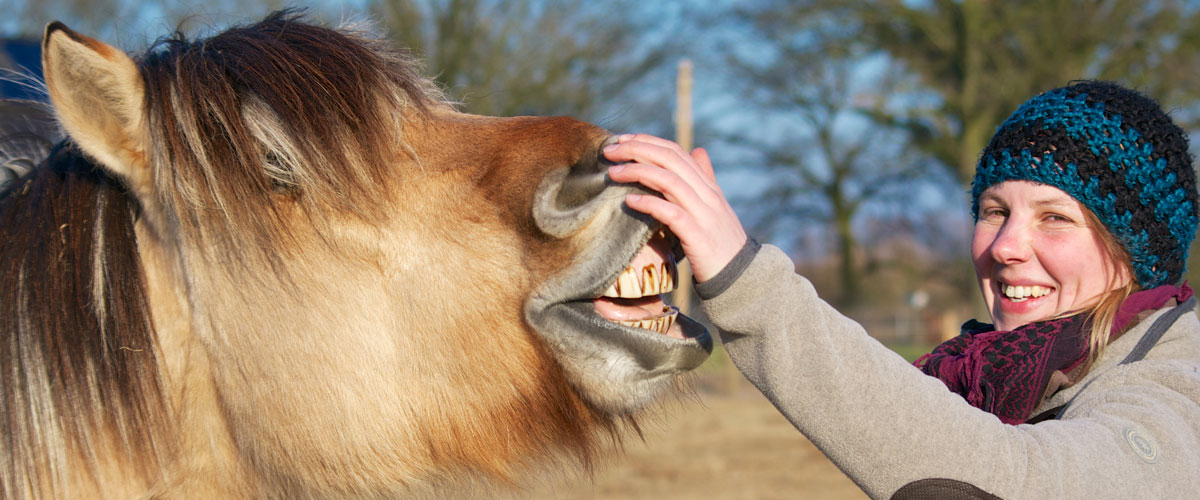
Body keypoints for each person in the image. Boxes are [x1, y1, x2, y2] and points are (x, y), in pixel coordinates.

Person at [603, 80, 1200, 499]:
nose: (1004, 247)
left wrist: (747, 281)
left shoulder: (1171, 392)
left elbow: (1022, 481)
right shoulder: (983, 375)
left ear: (1135, 256)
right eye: (995, 211)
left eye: (1055, 217)